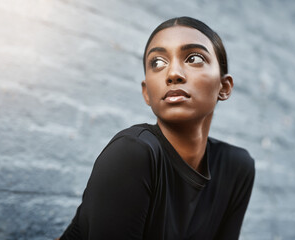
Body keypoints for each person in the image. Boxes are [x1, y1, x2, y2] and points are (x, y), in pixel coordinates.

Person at [58, 16, 255, 240]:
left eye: (194, 58)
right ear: (146, 93)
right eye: (158, 63)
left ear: (224, 86)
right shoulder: (132, 153)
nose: (173, 74)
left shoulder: (236, 168)